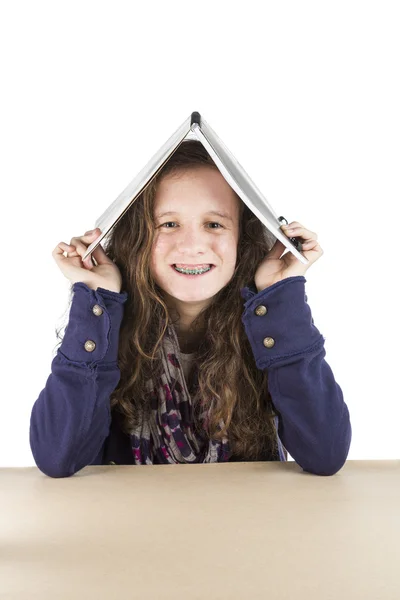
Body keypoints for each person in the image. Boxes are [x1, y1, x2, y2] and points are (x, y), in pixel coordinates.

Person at [29, 140, 351, 478]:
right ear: (139, 235)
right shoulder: (107, 324)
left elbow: (324, 453)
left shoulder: (269, 323)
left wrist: (279, 296)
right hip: (125, 525)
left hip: (247, 523)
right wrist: (96, 299)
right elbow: (57, 457)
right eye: (169, 224)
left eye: (214, 224)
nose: (193, 245)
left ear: (242, 238)